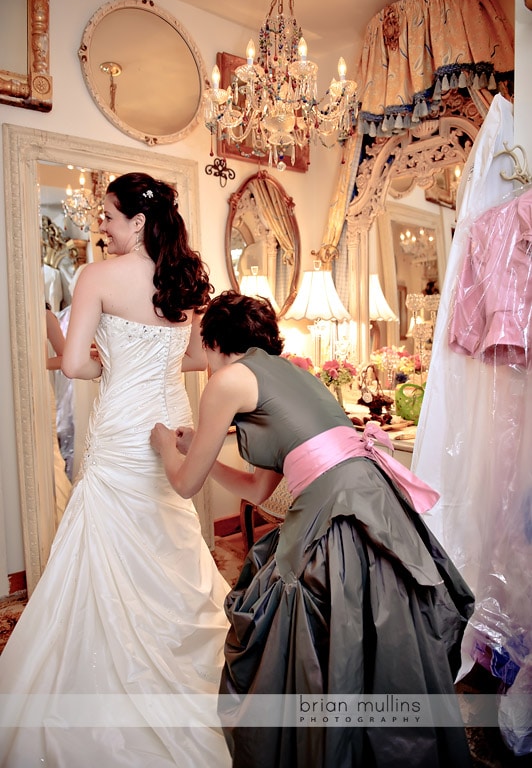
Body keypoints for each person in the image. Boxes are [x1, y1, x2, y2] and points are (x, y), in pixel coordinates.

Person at [150, 290, 475, 768]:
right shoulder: (295, 375)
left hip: (334, 507)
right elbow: (260, 490)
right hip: (371, 496)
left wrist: (165, 448)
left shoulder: (225, 380)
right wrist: (202, 444)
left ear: (215, 340)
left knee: (309, 634)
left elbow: (184, 485)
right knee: (376, 629)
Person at [0, 173, 231, 767]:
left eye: (107, 216)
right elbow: (189, 358)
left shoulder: (97, 277)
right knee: (171, 539)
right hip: (170, 421)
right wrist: (138, 361)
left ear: (137, 221)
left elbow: (74, 365)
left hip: (124, 427)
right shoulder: (184, 278)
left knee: (105, 549)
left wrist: (110, 365)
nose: (100, 226)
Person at [45, 302, 72, 522]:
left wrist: (38, 363)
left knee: (48, 453)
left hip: (38, 388)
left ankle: (59, 517)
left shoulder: (45, 316)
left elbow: (66, 358)